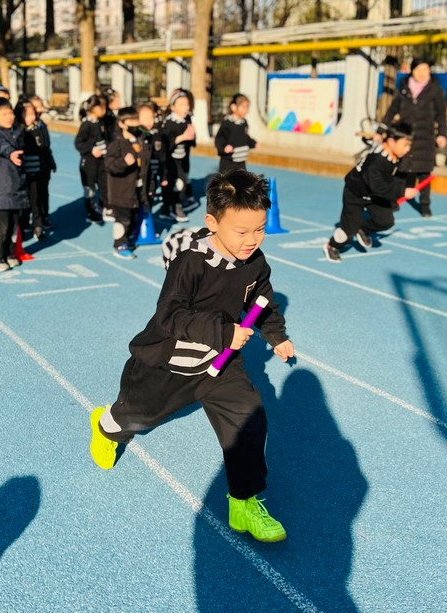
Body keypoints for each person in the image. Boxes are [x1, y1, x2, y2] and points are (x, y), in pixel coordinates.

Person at [89, 169, 294, 543]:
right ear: (213, 223)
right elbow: (170, 316)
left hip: (221, 363)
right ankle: (107, 425)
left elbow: (262, 301)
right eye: (242, 232)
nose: (252, 240)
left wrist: (275, 335)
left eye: (260, 229)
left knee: (248, 417)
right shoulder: (191, 263)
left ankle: (244, 503)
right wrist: (225, 332)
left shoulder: (255, 262)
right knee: (137, 415)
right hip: (168, 363)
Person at [323, 123, 415, 262]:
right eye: (405, 145)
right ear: (391, 142)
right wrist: (402, 192)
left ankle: (363, 229)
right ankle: (332, 246)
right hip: (355, 192)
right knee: (348, 232)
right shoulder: (376, 161)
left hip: (373, 194)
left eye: (409, 145)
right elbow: (378, 186)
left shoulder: (395, 154)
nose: (407, 149)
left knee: (386, 221)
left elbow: (392, 179)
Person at [383, 56, 447, 217]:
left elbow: (441, 114)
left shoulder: (435, 89)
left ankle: (425, 205)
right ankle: (395, 199)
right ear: (412, 70)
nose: (422, 73)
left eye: (425, 69)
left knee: (424, 173)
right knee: (401, 170)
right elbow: (392, 109)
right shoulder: (404, 87)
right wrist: (382, 128)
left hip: (425, 137)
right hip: (405, 136)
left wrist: (442, 134)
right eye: (419, 69)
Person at [0, 96, 28, 271]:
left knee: (14, 224)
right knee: (1, 224)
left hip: (17, 185)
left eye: (10, 113)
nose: (9, 117)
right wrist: (10, 153)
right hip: (1, 188)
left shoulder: (15, 131)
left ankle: (9, 253)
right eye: (4, 114)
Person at [15, 98, 56, 239]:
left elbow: (45, 146)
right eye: (28, 114)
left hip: (39, 170)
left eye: (33, 113)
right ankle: (24, 224)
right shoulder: (19, 130)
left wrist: (51, 162)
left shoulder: (39, 127)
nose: (32, 117)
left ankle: (38, 225)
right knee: (25, 200)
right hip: (24, 173)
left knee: (37, 198)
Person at [105, 106, 143, 258]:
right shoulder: (117, 143)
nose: (135, 124)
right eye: (130, 121)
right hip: (121, 191)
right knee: (122, 219)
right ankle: (120, 245)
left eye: (136, 120)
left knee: (133, 218)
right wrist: (124, 162)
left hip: (136, 188)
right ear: (121, 123)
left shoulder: (140, 140)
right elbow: (109, 165)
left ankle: (128, 239)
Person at [159, 89, 196, 223]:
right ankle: (174, 206)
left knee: (180, 182)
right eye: (181, 104)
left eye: (187, 104)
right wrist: (183, 137)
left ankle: (169, 207)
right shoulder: (169, 122)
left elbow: (191, 141)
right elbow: (165, 144)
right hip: (170, 161)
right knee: (175, 184)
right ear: (173, 107)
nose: (185, 107)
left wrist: (192, 136)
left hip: (182, 159)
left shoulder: (186, 120)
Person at [74, 94, 108, 223]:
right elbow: (78, 143)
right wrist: (91, 149)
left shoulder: (100, 123)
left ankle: (102, 206)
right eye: (101, 107)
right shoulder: (86, 124)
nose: (104, 110)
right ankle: (90, 211)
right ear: (94, 108)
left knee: (104, 184)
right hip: (89, 163)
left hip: (101, 161)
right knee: (90, 188)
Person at [215, 93, 256, 175]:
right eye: (243, 107)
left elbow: (245, 137)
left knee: (242, 181)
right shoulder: (227, 123)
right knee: (228, 181)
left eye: (247, 107)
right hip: (229, 162)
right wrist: (224, 148)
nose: (246, 110)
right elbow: (219, 138)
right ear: (233, 107)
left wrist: (253, 143)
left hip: (241, 162)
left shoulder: (243, 122)